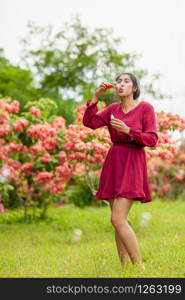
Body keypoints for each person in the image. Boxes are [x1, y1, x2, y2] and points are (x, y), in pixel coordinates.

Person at [82, 72, 158, 270]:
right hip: (114, 162)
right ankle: (125, 268)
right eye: (119, 81)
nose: (121, 84)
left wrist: (128, 131)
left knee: (117, 218)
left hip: (133, 162)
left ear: (134, 88)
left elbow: (152, 140)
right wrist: (96, 98)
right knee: (118, 220)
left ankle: (139, 266)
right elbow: (90, 123)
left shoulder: (145, 108)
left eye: (126, 82)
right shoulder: (112, 109)